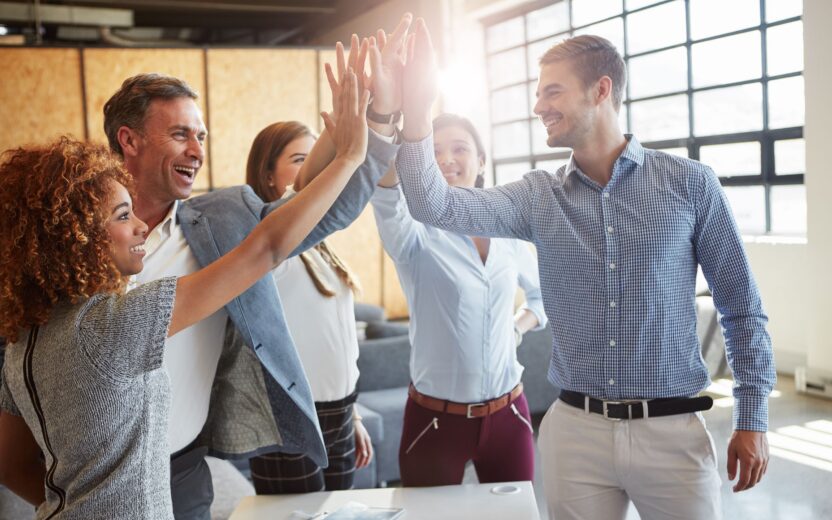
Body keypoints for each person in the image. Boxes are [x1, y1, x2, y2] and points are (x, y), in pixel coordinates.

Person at [395, 20, 774, 519]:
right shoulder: (536, 196)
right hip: (575, 433)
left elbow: (741, 307)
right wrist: (417, 108)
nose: (537, 107)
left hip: (672, 432)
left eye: (552, 91)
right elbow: (432, 205)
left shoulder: (691, 185)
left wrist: (753, 416)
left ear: (601, 90)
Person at [0, 76, 370, 518]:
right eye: (122, 216)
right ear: (75, 235)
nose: (137, 224)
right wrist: (349, 155)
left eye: (201, 136)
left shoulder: (26, 333)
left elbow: (10, 460)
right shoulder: (112, 325)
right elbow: (265, 249)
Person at [99, 14, 408, 517]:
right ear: (129, 141)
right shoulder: (73, 241)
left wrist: (378, 116)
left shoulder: (223, 221)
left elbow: (327, 205)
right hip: (97, 474)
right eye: (181, 135)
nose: (198, 151)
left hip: (183, 470)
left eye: (201, 136)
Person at [370, 112, 547, 486]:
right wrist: (388, 126)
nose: (446, 159)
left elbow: (540, 295)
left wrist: (517, 326)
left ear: (481, 162)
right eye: (433, 151)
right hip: (435, 421)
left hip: (508, 414)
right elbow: (387, 199)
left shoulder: (507, 231)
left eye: (459, 148)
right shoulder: (415, 234)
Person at [244, 120, 373, 493]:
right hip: (290, 416)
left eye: (320, 157)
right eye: (302, 158)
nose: (316, 168)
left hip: (339, 412)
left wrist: (354, 414)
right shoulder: (262, 239)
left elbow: (339, 341)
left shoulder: (321, 243)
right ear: (269, 176)